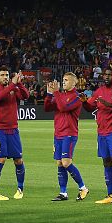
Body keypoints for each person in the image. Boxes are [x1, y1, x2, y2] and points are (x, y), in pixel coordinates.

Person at [82, 67, 112, 206]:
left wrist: (110, 105)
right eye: (105, 74)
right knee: (106, 162)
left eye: (109, 75)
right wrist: (84, 102)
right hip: (101, 132)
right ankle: (111, 195)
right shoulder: (99, 91)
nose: (107, 77)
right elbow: (90, 107)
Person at [44, 73, 88, 202]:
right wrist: (49, 94)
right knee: (59, 163)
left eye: (67, 80)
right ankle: (63, 193)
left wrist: (56, 93)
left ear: (74, 83)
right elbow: (47, 108)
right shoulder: (60, 95)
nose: (64, 82)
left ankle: (83, 187)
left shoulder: (77, 97)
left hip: (69, 133)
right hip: (58, 134)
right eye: (63, 80)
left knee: (66, 162)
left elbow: (64, 107)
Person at [0, 67, 28, 201]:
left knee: (18, 160)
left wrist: (19, 83)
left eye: (7, 75)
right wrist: (13, 84)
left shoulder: (13, 88)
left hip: (13, 130)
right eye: (3, 75)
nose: (5, 77)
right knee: (1, 159)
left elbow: (26, 96)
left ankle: (20, 189)